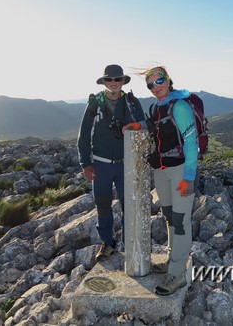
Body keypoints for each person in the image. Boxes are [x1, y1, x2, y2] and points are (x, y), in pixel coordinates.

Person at [124, 66, 198, 296]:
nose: (156, 87)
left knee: (181, 220)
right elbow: (156, 125)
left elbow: (191, 143)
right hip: (162, 170)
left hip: (179, 171)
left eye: (159, 81)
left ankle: (177, 274)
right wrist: (140, 126)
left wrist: (189, 177)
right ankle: (170, 259)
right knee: (169, 218)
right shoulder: (156, 107)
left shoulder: (181, 106)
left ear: (169, 81)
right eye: (150, 85)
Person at [78, 64, 145, 261]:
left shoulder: (132, 102)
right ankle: (107, 242)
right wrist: (85, 163)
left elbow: (144, 124)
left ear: (123, 81)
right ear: (105, 82)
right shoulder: (94, 104)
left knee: (129, 204)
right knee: (103, 203)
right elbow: (83, 136)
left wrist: (137, 126)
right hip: (101, 164)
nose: (114, 83)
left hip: (127, 163)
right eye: (110, 79)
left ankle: (129, 243)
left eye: (117, 79)